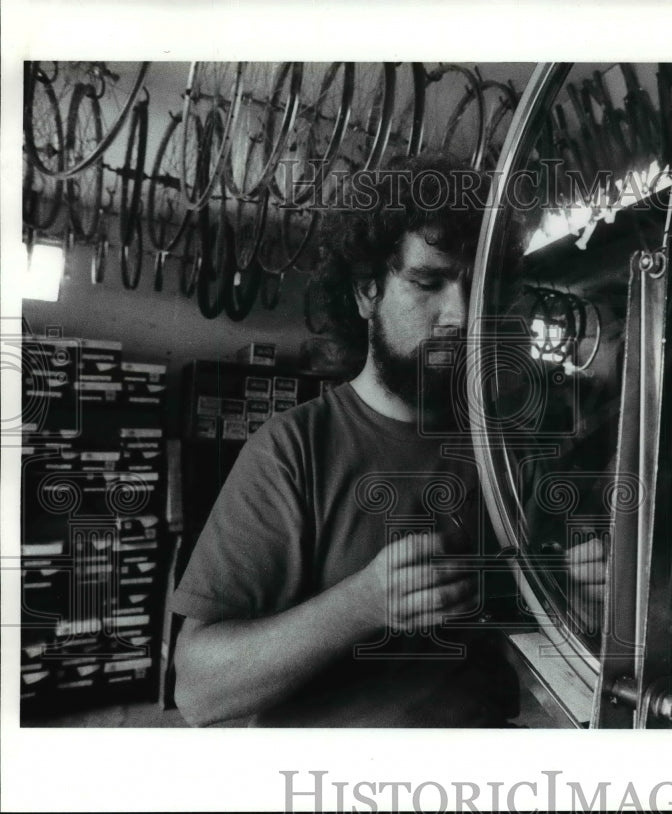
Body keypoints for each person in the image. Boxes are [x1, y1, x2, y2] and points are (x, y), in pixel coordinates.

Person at [171, 154, 521, 727]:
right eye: (428, 283)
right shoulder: (291, 450)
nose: (461, 317)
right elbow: (198, 692)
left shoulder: (501, 451)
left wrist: (580, 590)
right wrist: (361, 605)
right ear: (365, 294)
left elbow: (546, 623)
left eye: (476, 289)